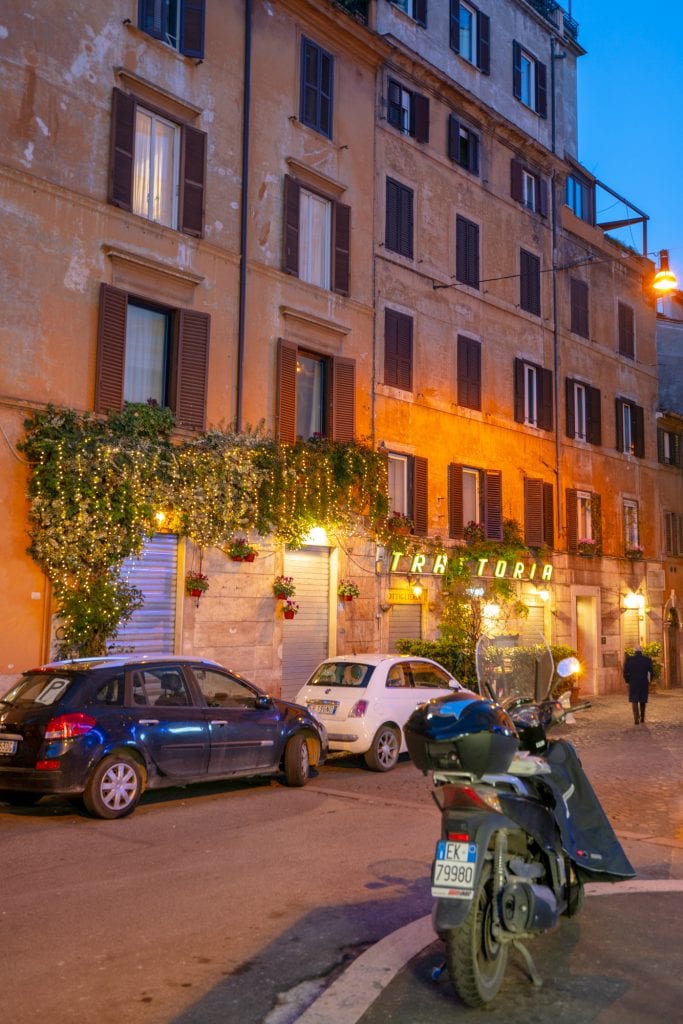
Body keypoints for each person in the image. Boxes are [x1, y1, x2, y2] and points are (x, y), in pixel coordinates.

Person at [622, 647, 653, 725]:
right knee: (643, 700)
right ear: (641, 651)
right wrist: (649, 681)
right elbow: (651, 672)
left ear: (634, 651)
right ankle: (642, 718)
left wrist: (627, 681)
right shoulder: (647, 659)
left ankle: (636, 719)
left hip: (633, 682)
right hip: (643, 682)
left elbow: (625, 672)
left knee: (634, 700)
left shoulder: (629, 660)